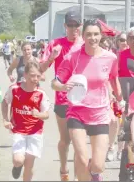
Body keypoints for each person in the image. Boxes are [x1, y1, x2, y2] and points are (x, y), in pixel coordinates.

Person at [52, 19, 124, 181]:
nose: (93, 38)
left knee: (98, 166)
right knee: (82, 158)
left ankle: (92, 172)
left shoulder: (110, 58)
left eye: (96, 34)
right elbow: (55, 82)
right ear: (83, 36)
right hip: (77, 113)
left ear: (101, 36)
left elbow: (114, 78)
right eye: (89, 34)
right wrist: (63, 87)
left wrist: (120, 98)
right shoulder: (72, 57)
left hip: (99, 114)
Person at [40, 10, 84, 181]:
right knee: (65, 140)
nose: (74, 29)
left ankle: (78, 176)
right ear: (65, 26)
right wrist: (52, 57)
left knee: (80, 143)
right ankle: (64, 169)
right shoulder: (56, 44)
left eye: (76, 25)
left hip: (83, 99)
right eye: (70, 25)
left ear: (80, 26)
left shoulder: (86, 43)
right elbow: (41, 69)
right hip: (63, 99)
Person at [1, 61, 50, 181]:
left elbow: (46, 114)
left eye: (38, 76)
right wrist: (6, 120)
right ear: (25, 74)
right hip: (18, 131)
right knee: (18, 160)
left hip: (35, 132)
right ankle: (17, 166)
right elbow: (4, 102)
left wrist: (38, 114)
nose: (35, 78)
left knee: (29, 165)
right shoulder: (14, 89)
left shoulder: (41, 94)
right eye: (33, 75)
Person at [107, 31, 128, 162]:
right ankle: (111, 147)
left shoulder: (133, 56)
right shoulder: (112, 57)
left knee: (125, 123)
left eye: (126, 40)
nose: (124, 42)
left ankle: (121, 150)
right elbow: (109, 77)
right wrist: (111, 93)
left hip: (128, 91)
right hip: (115, 92)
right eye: (122, 40)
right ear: (117, 42)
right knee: (114, 121)